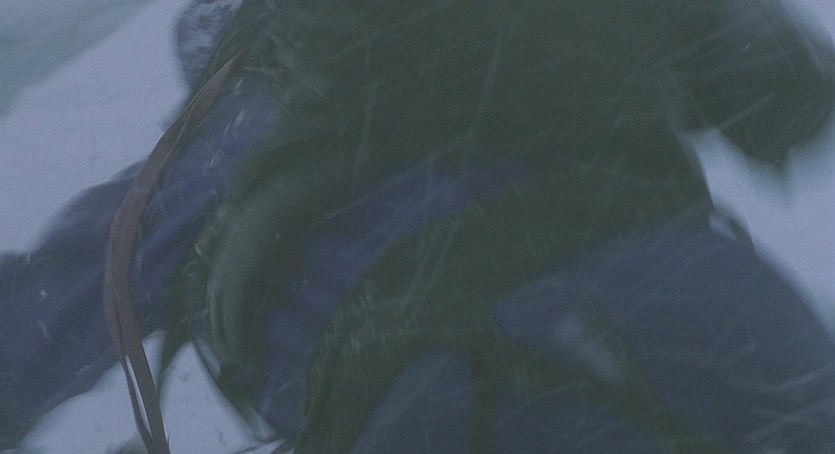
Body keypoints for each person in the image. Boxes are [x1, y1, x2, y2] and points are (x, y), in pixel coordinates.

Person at [3, 0, 835, 452]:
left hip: (470, 379)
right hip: (726, 308)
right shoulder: (552, 34)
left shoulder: (224, 146)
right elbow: (790, 92)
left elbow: (30, 337)